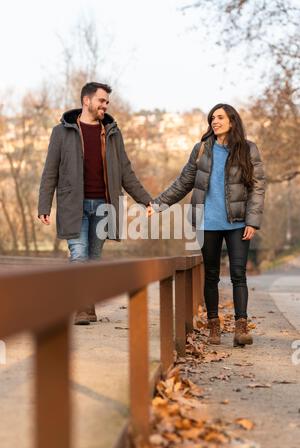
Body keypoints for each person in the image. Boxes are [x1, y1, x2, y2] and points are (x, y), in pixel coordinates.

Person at [149, 103, 266, 347]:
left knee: (238, 274)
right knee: (211, 276)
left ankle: (240, 328)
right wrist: (158, 204)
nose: (215, 121)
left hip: (238, 223)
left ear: (232, 121)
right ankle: (214, 327)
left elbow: (257, 187)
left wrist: (253, 222)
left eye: (220, 117)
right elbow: (183, 183)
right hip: (207, 223)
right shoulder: (201, 149)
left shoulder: (248, 149)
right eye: (212, 118)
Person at [38, 82, 152, 325]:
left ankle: (87, 304)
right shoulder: (62, 132)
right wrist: (44, 205)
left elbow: (126, 172)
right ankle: (80, 307)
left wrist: (146, 200)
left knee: (94, 258)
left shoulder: (112, 132)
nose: (105, 105)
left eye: (107, 102)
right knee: (78, 255)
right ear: (86, 101)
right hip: (73, 205)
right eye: (101, 100)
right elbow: (50, 172)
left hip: (104, 205)